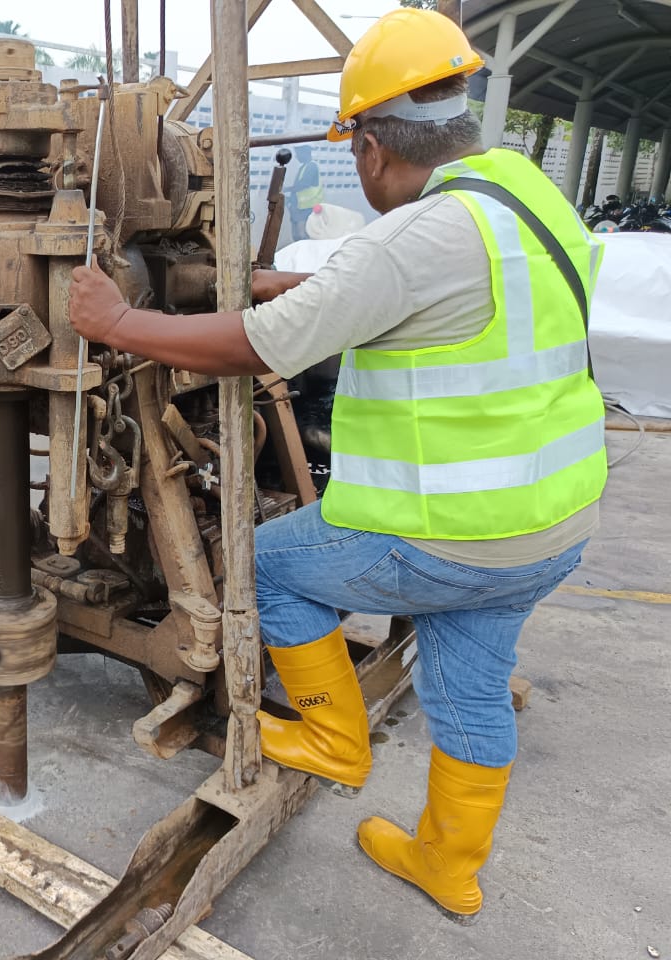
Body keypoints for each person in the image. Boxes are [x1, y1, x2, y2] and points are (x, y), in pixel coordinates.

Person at [67, 7, 605, 923]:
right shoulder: (527, 196)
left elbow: (258, 346)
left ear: (370, 147)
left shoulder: (412, 239)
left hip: (447, 534)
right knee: (469, 686)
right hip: (549, 525)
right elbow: (439, 298)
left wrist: (117, 323)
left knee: (270, 562)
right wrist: (295, 285)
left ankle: (332, 737)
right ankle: (448, 865)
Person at [287, 143, 324, 240]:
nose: (296, 156)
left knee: (302, 236)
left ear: (305, 152)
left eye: (298, 153)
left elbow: (303, 184)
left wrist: (286, 189)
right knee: (298, 236)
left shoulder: (311, 167)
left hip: (306, 208)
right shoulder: (304, 167)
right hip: (301, 207)